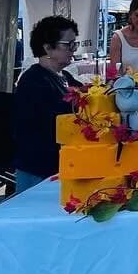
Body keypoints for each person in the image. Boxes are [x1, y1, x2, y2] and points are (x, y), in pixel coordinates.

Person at [12, 15, 83, 194]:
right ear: (48, 48)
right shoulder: (34, 80)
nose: (73, 50)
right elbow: (60, 118)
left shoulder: (65, 77)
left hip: (61, 166)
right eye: (68, 45)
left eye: (75, 44)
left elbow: (89, 97)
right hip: (39, 172)